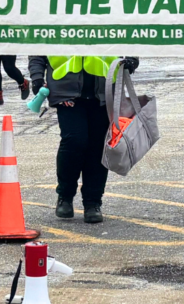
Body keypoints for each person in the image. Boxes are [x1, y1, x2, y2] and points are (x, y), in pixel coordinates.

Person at [28, 55, 139, 224]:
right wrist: (37, 77)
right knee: (74, 141)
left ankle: (93, 202)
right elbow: (38, 47)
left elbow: (129, 35)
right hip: (66, 91)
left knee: (98, 147)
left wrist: (132, 58)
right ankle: (65, 196)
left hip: (104, 92)